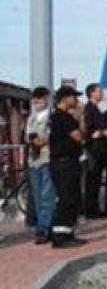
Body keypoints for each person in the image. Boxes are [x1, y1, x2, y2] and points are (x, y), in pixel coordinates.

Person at [48, 86, 86, 248]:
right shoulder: (62, 117)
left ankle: (67, 231)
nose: (76, 100)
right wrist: (80, 118)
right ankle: (59, 236)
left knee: (73, 197)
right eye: (73, 97)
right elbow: (79, 136)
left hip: (67, 162)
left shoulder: (60, 117)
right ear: (64, 98)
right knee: (67, 198)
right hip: (64, 163)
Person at [24, 87, 56, 244]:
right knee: (37, 196)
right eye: (34, 98)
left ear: (46, 99)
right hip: (34, 160)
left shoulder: (52, 116)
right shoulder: (31, 118)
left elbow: (51, 137)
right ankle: (42, 225)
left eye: (39, 98)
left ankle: (44, 227)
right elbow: (28, 137)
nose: (36, 101)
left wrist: (42, 141)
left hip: (47, 158)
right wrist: (33, 141)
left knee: (47, 195)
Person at [81, 83, 107, 219]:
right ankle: (91, 210)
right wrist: (101, 132)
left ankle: (95, 208)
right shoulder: (89, 109)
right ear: (92, 93)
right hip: (93, 150)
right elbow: (89, 129)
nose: (102, 93)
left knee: (97, 180)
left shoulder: (97, 109)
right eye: (99, 91)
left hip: (99, 149)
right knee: (92, 180)